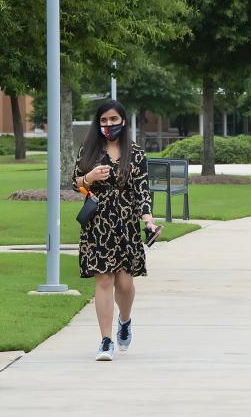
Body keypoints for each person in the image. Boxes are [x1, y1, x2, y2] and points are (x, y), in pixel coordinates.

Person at [72, 99, 158, 361]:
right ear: (98, 124)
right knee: (104, 280)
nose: (109, 125)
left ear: (122, 121)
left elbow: (142, 190)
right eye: (104, 121)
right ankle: (106, 340)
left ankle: (125, 320)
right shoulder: (89, 149)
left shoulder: (136, 153)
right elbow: (76, 183)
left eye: (113, 120)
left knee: (124, 283)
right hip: (98, 222)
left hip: (126, 223)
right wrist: (90, 178)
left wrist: (149, 221)